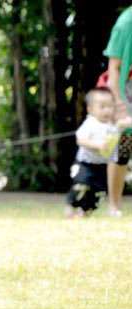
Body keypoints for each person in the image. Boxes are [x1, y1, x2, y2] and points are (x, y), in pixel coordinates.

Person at [65, 88, 118, 217]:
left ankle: (86, 211)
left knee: (98, 191)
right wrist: (97, 145)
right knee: (80, 185)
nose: (107, 110)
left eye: (110, 106)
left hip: (102, 165)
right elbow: (80, 140)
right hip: (85, 163)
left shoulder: (112, 126)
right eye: (102, 107)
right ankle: (71, 207)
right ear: (90, 109)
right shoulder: (90, 123)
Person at [103, 6, 132, 217]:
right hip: (126, 90)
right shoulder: (126, 22)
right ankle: (114, 206)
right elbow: (114, 67)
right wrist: (118, 103)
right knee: (122, 148)